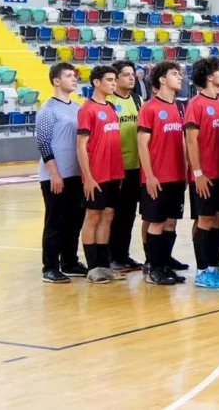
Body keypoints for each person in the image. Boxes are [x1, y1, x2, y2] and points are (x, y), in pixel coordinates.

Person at [137, 62, 189, 286]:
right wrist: (149, 176)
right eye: (174, 74)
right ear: (162, 79)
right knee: (156, 223)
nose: (180, 77)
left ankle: (165, 264)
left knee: (171, 223)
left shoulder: (180, 107)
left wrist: (185, 170)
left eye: (180, 74)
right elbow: (142, 144)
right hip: (157, 177)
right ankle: (154, 268)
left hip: (177, 176)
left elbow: (184, 142)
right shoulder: (149, 108)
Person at [74, 65, 126, 285]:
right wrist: (88, 177)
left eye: (115, 80)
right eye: (109, 80)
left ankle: (104, 266)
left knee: (108, 216)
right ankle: (93, 267)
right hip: (96, 175)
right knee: (93, 217)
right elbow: (81, 146)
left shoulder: (112, 107)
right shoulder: (87, 110)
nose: (114, 83)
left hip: (114, 173)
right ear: (97, 82)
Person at [184, 58, 219, 290]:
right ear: (210, 76)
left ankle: (213, 267)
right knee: (205, 220)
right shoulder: (196, 104)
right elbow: (191, 141)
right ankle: (202, 271)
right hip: (205, 175)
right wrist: (198, 173)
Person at [37, 62, 85, 283]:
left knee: (74, 220)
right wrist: (54, 174)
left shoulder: (78, 107)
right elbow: (43, 143)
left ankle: (69, 262)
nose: (74, 79)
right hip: (56, 175)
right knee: (55, 221)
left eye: (74, 76)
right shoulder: (48, 109)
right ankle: (50, 267)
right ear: (56, 80)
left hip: (76, 173)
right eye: (68, 76)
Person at [108, 60, 144, 271]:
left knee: (129, 214)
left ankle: (123, 255)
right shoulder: (109, 101)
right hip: (115, 168)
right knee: (114, 214)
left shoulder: (139, 100)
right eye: (126, 75)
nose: (131, 78)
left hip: (135, 167)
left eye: (132, 74)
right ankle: (111, 256)